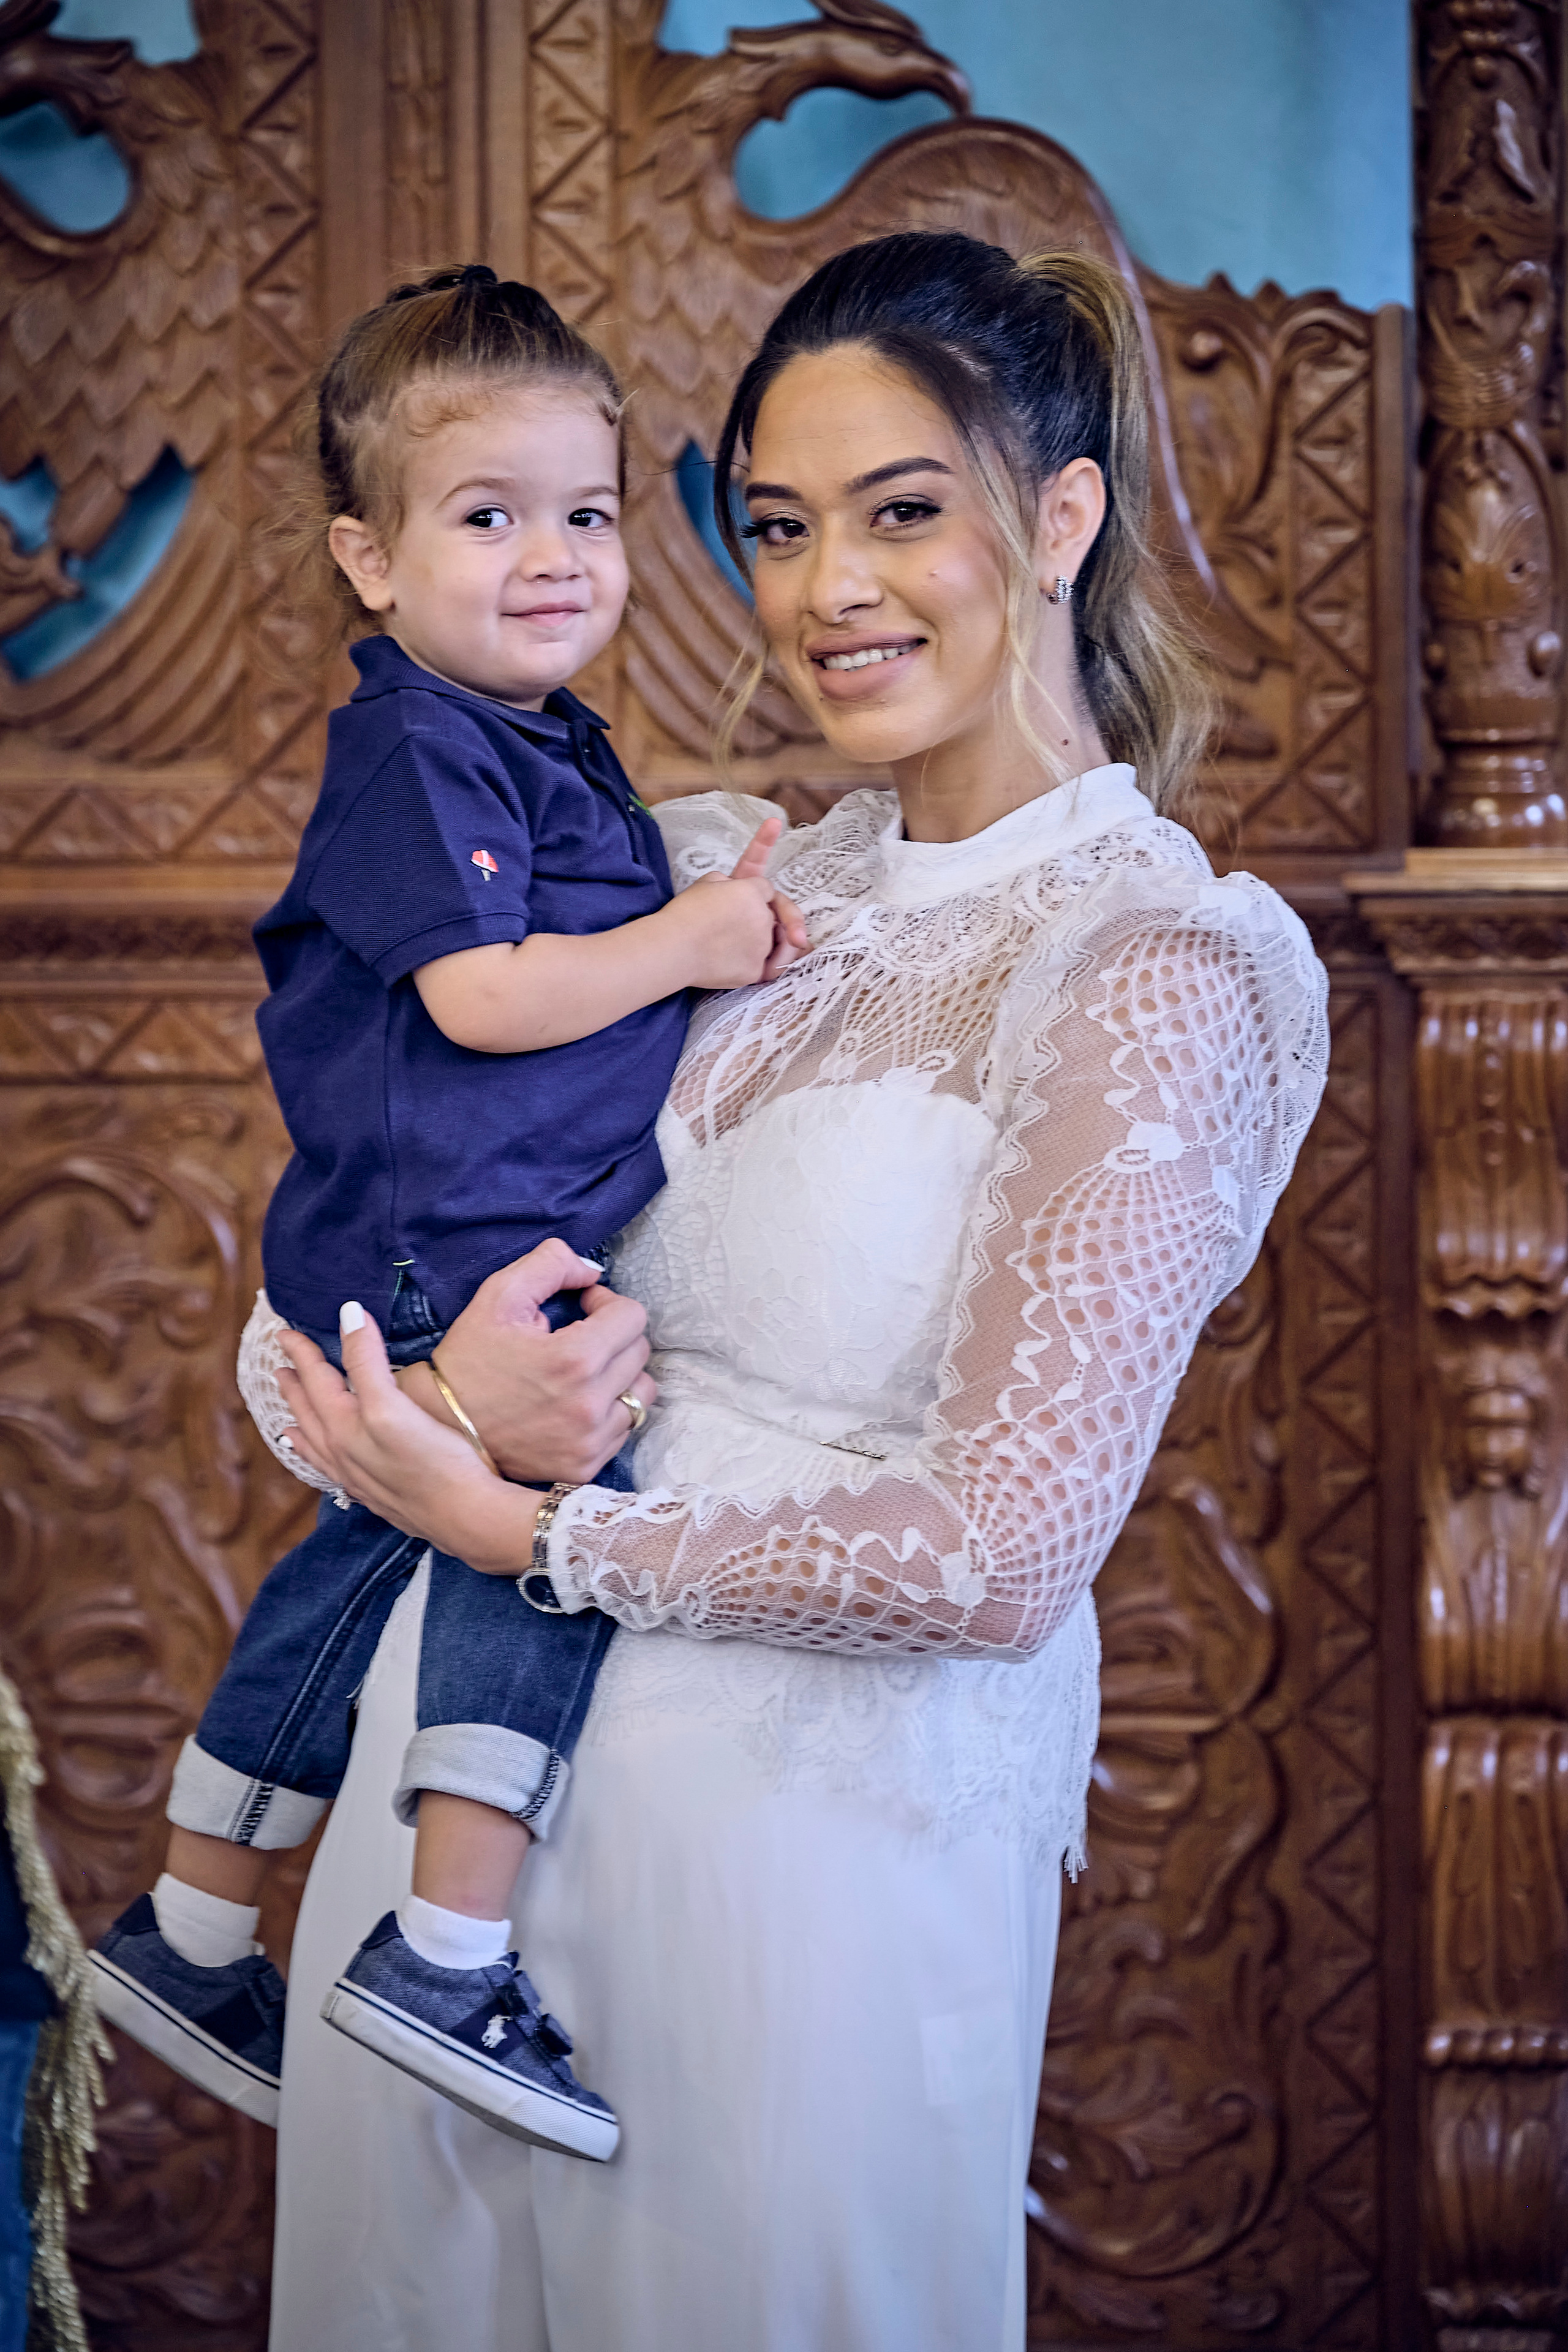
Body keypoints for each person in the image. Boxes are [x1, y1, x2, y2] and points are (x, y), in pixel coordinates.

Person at [260, 230, 1329, 2351]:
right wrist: (451, 1407)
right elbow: (307, 1306)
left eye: (902, 512)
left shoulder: (1152, 964)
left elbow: (1005, 1554)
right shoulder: (699, 872)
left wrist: (537, 1532)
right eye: (776, 526)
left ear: (1062, 516)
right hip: (444, 1858)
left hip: (809, 1888)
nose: (830, 586)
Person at [87, 263, 805, 2162]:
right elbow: (481, 996)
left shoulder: (525, 727)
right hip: (449, 1240)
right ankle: (447, 1946)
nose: (553, 557)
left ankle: (191, 1924)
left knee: (368, 1549)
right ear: (371, 559)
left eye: (589, 513)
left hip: (462, 1226)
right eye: (488, 517)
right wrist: (693, 941)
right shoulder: (423, 743)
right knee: (542, 1527)